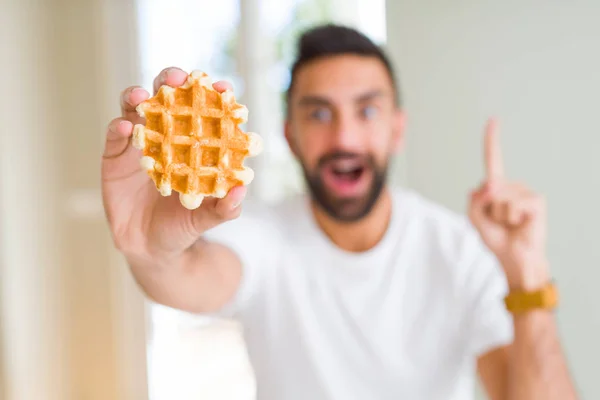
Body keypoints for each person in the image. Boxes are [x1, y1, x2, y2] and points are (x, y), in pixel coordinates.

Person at [102, 24, 577, 400]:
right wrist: (148, 251)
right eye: (320, 114)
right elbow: (192, 275)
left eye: (367, 111)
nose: (345, 139)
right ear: (290, 136)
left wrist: (527, 274)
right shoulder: (263, 235)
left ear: (397, 130)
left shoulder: (456, 248)